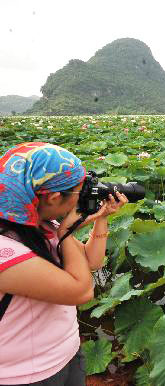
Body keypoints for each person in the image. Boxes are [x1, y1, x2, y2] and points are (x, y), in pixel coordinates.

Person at [0, 142, 128, 385]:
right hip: (25, 375)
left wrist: (102, 219)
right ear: (54, 197)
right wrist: (68, 231)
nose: (80, 201)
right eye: (79, 194)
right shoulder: (5, 252)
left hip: (66, 354)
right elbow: (81, 290)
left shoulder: (40, 224)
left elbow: (91, 261)